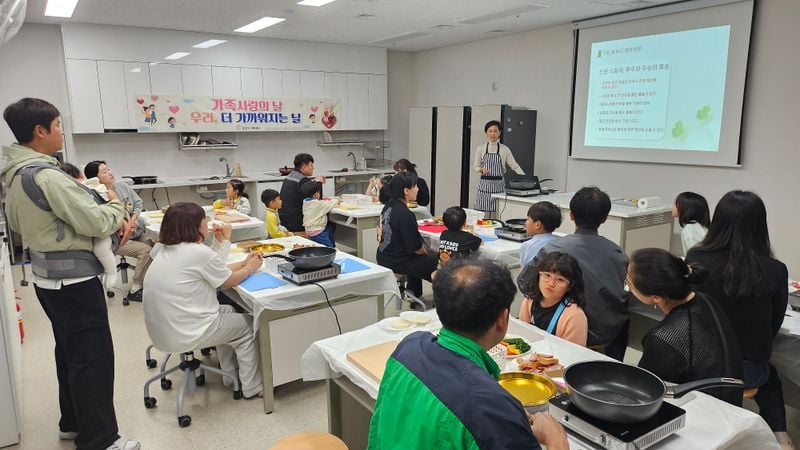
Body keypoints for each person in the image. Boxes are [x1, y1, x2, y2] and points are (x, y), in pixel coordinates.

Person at [2, 98, 139, 449]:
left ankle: (72, 423)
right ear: (40, 131)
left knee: (69, 353)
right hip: (75, 282)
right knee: (93, 359)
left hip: (47, 280)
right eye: (59, 125)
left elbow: (16, 224)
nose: (62, 131)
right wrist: (116, 206)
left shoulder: (16, 174)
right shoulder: (47, 175)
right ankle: (100, 440)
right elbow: (95, 220)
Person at [368, 259, 568, 450]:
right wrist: (555, 438)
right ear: (503, 319)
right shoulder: (490, 408)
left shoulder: (410, 346)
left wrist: (506, 413)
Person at [686, 191, 792, 449]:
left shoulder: (696, 259)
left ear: (718, 220)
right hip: (748, 371)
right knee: (770, 376)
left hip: (699, 368)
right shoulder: (776, 269)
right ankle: (780, 436)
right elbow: (774, 324)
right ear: (760, 225)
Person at [143, 202, 265, 399]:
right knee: (251, 326)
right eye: (204, 220)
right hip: (187, 330)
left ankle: (230, 376)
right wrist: (250, 268)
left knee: (229, 311)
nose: (208, 223)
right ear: (194, 226)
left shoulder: (163, 249)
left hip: (163, 329)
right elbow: (227, 280)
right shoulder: (197, 252)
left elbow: (210, 269)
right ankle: (252, 387)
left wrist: (242, 262)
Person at [626, 248, 744, 406]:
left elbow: (646, 393)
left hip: (702, 410)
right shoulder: (706, 300)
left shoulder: (663, 339)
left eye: (629, 284)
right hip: (730, 397)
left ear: (656, 298)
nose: (627, 286)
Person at [534, 186, 628, 360]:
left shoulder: (553, 249)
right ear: (605, 218)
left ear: (571, 215)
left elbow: (527, 284)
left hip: (564, 330)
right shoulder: (617, 252)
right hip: (611, 331)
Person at [85, 160, 153, 303]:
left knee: (157, 246)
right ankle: (135, 288)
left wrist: (133, 219)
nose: (110, 172)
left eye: (109, 169)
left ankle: (151, 282)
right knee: (146, 251)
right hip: (118, 240)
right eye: (104, 171)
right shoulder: (95, 197)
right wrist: (125, 225)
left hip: (136, 231)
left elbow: (138, 203)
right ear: (95, 179)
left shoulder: (122, 186)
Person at [376, 172, 438, 298]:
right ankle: (444, 298)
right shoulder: (405, 214)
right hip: (397, 261)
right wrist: (431, 253)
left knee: (428, 260)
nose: (417, 189)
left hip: (383, 256)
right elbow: (416, 249)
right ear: (406, 191)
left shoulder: (388, 205)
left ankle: (414, 294)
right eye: (415, 186)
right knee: (443, 261)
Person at [517, 252, 588, 346]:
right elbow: (523, 337)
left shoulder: (574, 316)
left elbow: (574, 354)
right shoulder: (529, 299)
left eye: (560, 280)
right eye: (547, 275)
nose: (551, 283)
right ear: (539, 275)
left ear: (570, 286)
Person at [473, 120, 524, 214]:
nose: (492, 134)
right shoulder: (481, 148)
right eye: (490, 131)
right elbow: (475, 166)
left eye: (495, 131)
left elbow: (514, 165)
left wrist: (525, 179)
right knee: (482, 215)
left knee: (498, 213)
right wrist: (481, 169)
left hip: (499, 186)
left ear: (500, 133)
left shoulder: (505, 149)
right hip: (484, 186)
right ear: (486, 133)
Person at [81, 176, 120, 290]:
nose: (110, 173)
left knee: (100, 248)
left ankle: (111, 272)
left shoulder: (100, 189)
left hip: (104, 227)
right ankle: (106, 272)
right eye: (105, 171)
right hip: (92, 226)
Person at [279, 153, 324, 232]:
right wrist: (319, 182)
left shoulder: (290, 175)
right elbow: (317, 199)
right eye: (311, 165)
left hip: (284, 218)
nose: (313, 168)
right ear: (304, 167)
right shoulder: (302, 180)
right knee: (326, 222)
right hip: (296, 221)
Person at [519, 201, 562, 269]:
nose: (525, 222)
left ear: (537, 224)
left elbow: (524, 274)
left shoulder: (528, 246)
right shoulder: (560, 241)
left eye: (528, 219)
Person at [300, 181, 339, 247]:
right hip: (318, 232)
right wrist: (338, 200)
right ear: (315, 194)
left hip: (310, 231)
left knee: (330, 227)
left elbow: (319, 203)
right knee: (330, 249)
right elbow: (332, 203)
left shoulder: (305, 202)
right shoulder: (318, 204)